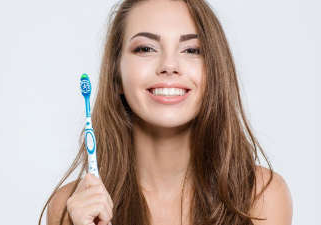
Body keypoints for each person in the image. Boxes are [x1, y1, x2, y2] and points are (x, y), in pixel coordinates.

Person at [39, 0, 293, 225]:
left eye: (192, 50)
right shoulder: (70, 208)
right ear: (116, 76)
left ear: (214, 73)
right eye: (146, 49)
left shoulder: (262, 197)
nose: (169, 65)